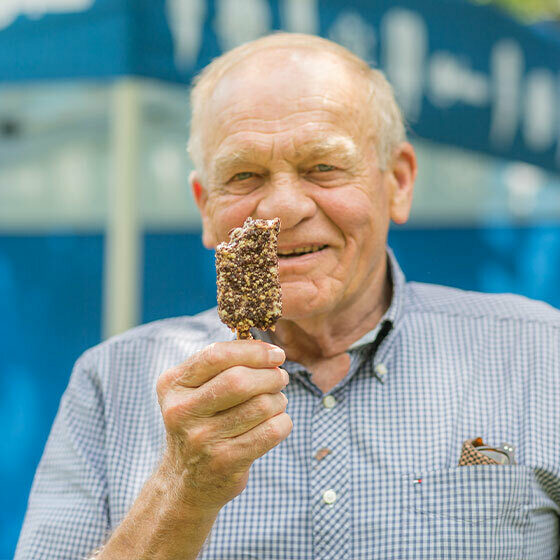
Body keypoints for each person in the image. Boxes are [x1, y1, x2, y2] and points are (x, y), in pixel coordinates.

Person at [16, 33, 560, 560]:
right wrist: (182, 486)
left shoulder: (540, 354)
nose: (280, 208)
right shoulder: (110, 381)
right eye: (245, 175)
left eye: (322, 167)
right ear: (206, 207)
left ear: (398, 181)